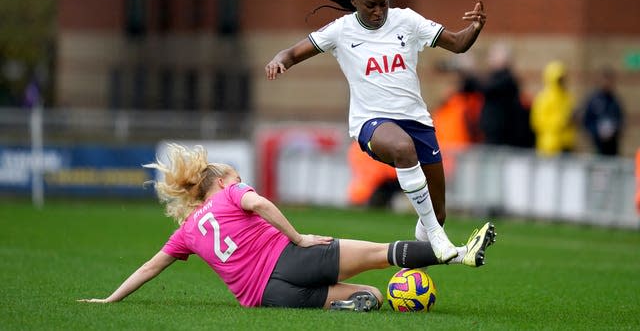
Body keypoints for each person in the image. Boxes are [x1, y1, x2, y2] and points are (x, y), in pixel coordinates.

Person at [264, 0, 487, 263]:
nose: (379, 10)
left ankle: (429, 251)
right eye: (371, 4)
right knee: (402, 148)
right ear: (354, 0)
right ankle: (442, 242)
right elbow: (293, 52)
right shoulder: (340, 31)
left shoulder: (406, 21)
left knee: (436, 212)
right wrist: (278, 60)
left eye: (384, 2)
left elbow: (457, 43)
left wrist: (476, 27)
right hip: (371, 123)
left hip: (418, 122)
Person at [78, 144, 497, 311]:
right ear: (221, 181)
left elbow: (150, 267)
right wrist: (298, 238)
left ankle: (348, 305)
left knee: (373, 296)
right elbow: (258, 202)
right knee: (380, 254)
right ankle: (460, 253)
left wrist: (109, 299)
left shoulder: (187, 229)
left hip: (267, 297)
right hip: (292, 260)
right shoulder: (230, 192)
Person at [479, 42, 533, 148]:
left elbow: (487, 89)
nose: (490, 60)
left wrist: (468, 72)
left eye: (493, 56)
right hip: (494, 135)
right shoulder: (497, 78)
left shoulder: (507, 80)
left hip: (503, 137)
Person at [530, 60, 577, 156]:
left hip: (567, 143)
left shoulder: (567, 96)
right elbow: (537, 122)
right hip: (550, 146)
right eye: (559, 79)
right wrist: (561, 121)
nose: (561, 81)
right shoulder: (544, 98)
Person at [580, 67, 624, 156]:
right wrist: (596, 132)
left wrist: (613, 131)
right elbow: (586, 120)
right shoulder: (593, 100)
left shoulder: (614, 101)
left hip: (612, 145)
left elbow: (620, 120)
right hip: (597, 144)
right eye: (605, 80)